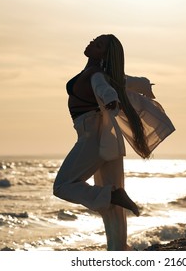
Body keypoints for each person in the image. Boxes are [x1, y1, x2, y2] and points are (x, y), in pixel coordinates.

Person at [53, 34, 175, 251]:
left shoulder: (97, 75)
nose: (91, 43)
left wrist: (111, 100)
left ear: (104, 55)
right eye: (94, 40)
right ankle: (118, 251)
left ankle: (110, 195)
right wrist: (145, 85)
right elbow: (124, 81)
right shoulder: (102, 73)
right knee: (113, 210)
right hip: (105, 142)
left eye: (98, 45)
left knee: (62, 186)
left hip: (92, 141)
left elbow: (104, 88)